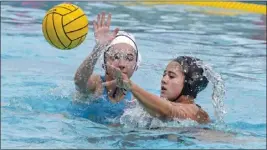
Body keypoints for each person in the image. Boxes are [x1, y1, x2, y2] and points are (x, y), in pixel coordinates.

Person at [70, 12, 142, 124]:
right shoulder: (96, 84)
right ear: (104, 63)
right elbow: (79, 81)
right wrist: (98, 48)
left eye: (129, 58)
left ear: (136, 66)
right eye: (115, 57)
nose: (122, 64)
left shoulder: (135, 98)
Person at [105, 56, 210, 124]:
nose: (163, 80)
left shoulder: (195, 111)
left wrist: (132, 86)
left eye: (171, 76)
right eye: (164, 75)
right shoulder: (161, 103)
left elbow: (168, 111)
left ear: (189, 84)